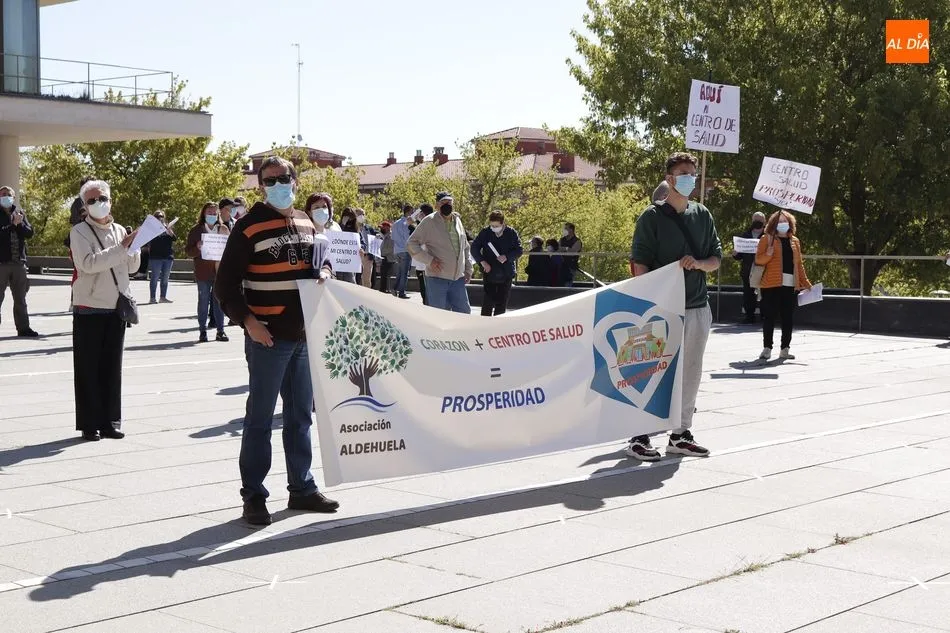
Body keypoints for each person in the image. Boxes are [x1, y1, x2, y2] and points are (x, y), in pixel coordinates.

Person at [214, 155, 338, 526]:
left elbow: (323, 261)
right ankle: (253, 495)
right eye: (270, 180)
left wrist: (327, 272)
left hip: (303, 337)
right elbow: (225, 286)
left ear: (295, 181)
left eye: (284, 178)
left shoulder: (306, 221)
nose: (278, 184)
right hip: (267, 338)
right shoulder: (248, 227)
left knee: (301, 417)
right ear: (260, 185)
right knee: (259, 420)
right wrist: (249, 322)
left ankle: (301, 488)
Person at [628, 151, 722, 461]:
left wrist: (698, 263)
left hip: (696, 307)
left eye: (692, 173)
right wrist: (650, 302)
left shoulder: (702, 215)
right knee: (651, 373)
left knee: (690, 373)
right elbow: (638, 264)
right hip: (660, 310)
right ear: (669, 179)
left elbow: (715, 260)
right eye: (683, 173)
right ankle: (639, 435)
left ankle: (680, 434)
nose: (690, 179)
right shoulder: (651, 218)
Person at [69, 180, 139, 441]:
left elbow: (132, 267)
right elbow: (87, 264)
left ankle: (110, 421)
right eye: (92, 200)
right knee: (88, 367)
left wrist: (134, 247)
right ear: (84, 206)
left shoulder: (120, 229)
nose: (99, 203)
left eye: (103, 198)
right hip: (89, 305)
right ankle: (89, 423)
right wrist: (121, 249)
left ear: (111, 200)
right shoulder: (80, 232)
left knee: (112, 367)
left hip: (116, 306)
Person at [755, 210, 812, 361]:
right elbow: (758, 260)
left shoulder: (795, 241)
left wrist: (805, 282)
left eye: (785, 221)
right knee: (769, 317)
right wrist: (768, 254)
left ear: (790, 223)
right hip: (770, 284)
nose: (783, 224)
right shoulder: (766, 239)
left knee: (788, 318)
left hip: (790, 286)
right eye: (779, 221)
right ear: (773, 223)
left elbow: (798, 264)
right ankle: (767, 348)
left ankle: (785, 349)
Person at [407, 192, 472, 313]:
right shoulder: (429, 221)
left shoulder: (457, 221)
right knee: (440, 316)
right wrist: (429, 260)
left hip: (458, 278)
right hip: (437, 279)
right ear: (437, 205)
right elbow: (411, 243)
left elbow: (465, 246)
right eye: (443, 202)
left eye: (449, 202)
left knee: (464, 314)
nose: (447, 205)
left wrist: (468, 270)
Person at [185, 202, 230, 343]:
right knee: (203, 302)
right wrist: (197, 247)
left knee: (219, 303)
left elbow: (230, 248)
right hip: (203, 273)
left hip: (219, 272)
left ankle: (220, 331)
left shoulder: (223, 229)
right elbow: (188, 251)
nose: (211, 215)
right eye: (209, 212)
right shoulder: (196, 230)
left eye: (214, 213)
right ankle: (202, 331)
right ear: (203, 214)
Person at [0, 186, 39, 337]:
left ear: (14, 197)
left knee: (20, 299)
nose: (6, 196)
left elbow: (29, 233)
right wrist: (12, 226)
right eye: (3, 194)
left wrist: (20, 224)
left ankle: (23, 328)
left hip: (19, 263)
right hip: (2, 263)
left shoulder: (20, 213)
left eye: (8, 194)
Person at [471, 211, 523, 316]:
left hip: (506, 273)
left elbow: (518, 250)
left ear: (502, 223)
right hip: (489, 271)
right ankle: (484, 326)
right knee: (487, 302)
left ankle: (498, 327)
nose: (494, 228)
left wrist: (507, 257)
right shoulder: (485, 232)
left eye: (496, 226)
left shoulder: (511, 233)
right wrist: (482, 262)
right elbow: (474, 248)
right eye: (492, 226)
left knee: (502, 303)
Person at [734, 211, 766, 323]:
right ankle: (749, 316)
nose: (757, 223)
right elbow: (739, 256)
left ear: (764, 222)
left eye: (760, 221)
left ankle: (765, 316)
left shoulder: (768, 236)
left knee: (765, 293)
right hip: (748, 269)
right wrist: (736, 253)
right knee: (748, 293)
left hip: (763, 269)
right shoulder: (745, 235)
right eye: (755, 220)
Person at [147, 210, 176, 304]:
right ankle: (152, 298)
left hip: (168, 256)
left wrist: (169, 230)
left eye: (162, 216)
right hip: (156, 256)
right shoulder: (151, 229)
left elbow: (174, 238)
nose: (160, 218)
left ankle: (163, 297)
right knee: (155, 277)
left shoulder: (167, 227)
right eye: (158, 216)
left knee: (165, 278)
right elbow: (148, 241)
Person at [391, 204, 414, 299]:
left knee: (400, 271)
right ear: (408, 212)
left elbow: (393, 237)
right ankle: (401, 292)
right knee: (404, 273)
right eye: (412, 212)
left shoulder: (396, 223)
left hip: (397, 250)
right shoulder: (407, 223)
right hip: (405, 250)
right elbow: (407, 237)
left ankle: (395, 288)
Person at [355, 208, 377, 288]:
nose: (362, 216)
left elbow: (375, 239)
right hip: (356, 256)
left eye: (363, 214)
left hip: (367, 256)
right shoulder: (352, 227)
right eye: (360, 214)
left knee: (367, 279)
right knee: (356, 278)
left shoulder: (369, 228)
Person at [336, 207, 359, 284]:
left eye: (351, 217)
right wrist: (342, 224)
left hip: (350, 259)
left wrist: (361, 248)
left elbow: (361, 242)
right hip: (339, 259)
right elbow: (336, 237)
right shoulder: (338, 227)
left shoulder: (355, 228)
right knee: (339, 280)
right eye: (347, 217)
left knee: (351, 280)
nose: (349, 219)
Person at [559, 222, 583, 287]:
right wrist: (567, 249)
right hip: (561, 266)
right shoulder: (562, 240)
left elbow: (572, 252)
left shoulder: (577, 241)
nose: (564, 230)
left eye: (566, 229)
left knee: (567, 286)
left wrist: (565, 249)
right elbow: (558, 250)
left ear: (571, 230)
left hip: (570, 267)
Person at [378, 220, 395, 294]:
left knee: (385, 275)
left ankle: (384, 290)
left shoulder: (391, 236)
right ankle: (383, 289)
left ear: (387, 228)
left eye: (382, 228)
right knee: (383, 275)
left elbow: (390, 248)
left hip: (388, 258)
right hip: (384, 258)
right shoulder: (383, 236)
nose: (381, 229)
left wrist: (380, 253)